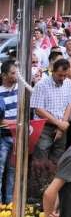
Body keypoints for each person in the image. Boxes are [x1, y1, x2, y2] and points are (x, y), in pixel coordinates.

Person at [31, 58, 71, 161]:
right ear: (52, 71)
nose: (62, 78)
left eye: (65, 75)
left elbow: (69, 104)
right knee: (41, 162)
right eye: (60, 75)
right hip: (44, 128)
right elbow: (38, 110)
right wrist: (60, 124)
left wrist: (62, 124)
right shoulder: (41, 85)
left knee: (58, 160)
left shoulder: (68, 82)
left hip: (62, 127)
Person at [0, 60, 17, 203]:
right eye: (12, 73)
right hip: (3, 138)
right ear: (4, 75)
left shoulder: (21, 89)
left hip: (18, 138)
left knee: (13, 172)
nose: (16, 75)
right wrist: (17, 122)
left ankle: (9, 204)